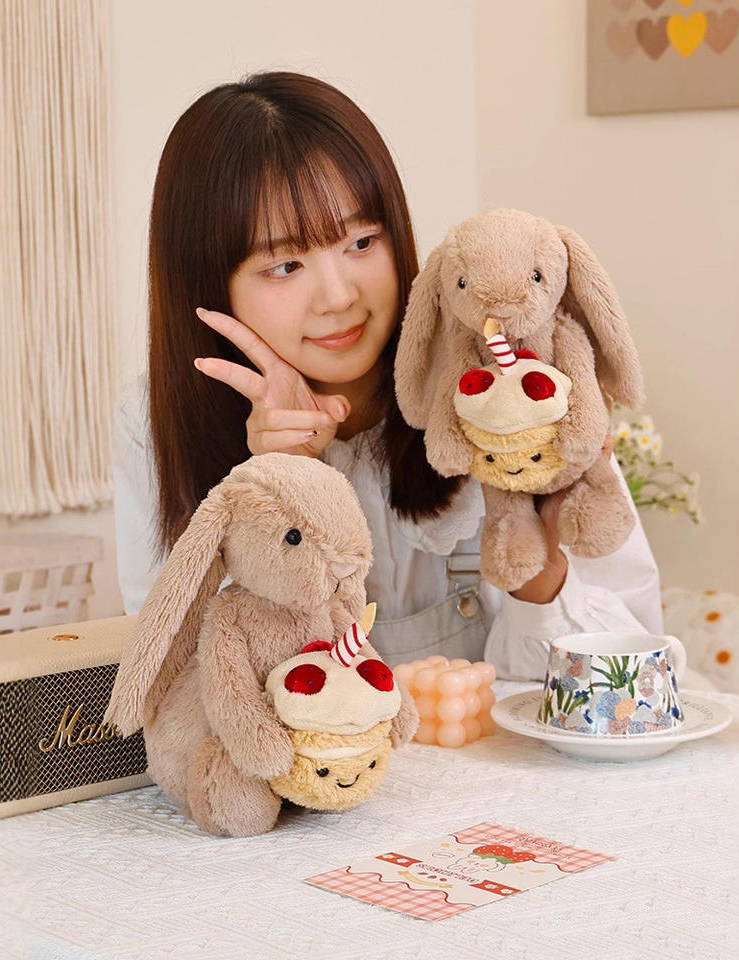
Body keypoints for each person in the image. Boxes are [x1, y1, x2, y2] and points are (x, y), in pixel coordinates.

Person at [112, 70, 666, 681]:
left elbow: (635, 675)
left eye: (361, 242)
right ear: (207, 284)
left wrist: (540, 576)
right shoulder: (155, 424)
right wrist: (278, 491)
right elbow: (169, 686)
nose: (338, 296)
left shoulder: (517, 378)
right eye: (285, 265)